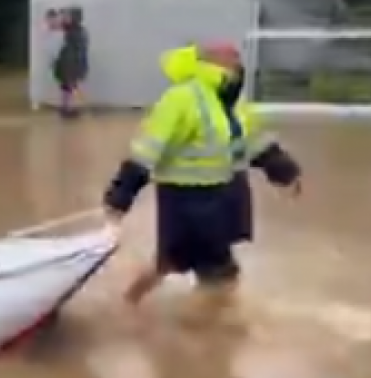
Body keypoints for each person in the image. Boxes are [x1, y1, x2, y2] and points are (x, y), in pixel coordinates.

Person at [103, 43, 302, 314]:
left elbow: (252, 141)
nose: (238, 63)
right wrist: (121, 196)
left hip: (223, 196)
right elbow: (147, 149)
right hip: (187, 200)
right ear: (212, 63)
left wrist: (283, 171)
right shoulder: (181, 98)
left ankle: (128, 305)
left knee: (171, 262)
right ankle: (204, 332)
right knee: (220, 275)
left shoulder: (230, 99)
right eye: (232, 58)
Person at [54, 7, 89, 119]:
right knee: (68, 84)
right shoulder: (75, 30)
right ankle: (66, 107)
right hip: (69, 60)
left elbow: (81, 48)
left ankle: (66, 107)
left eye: (69, 16)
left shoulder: (76, 30)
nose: (66, 18)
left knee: (69, 84)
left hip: (71, 60)